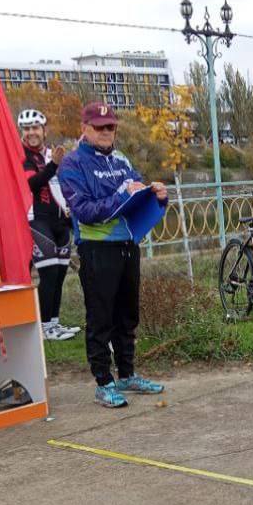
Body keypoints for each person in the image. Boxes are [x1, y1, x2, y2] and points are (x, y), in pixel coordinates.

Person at [58, 101, 169, 409]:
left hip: (127, 245)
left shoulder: (121, 160)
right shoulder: (72, 163)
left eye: (111, 127)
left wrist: (158, 197)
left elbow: (136, 195)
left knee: (127, 315)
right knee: (100, 317)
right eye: (99, 127)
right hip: (97, 249)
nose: (107, 132)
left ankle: (127, 373)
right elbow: (84, 211)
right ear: (84, 128)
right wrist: (123, 194)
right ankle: (103, 382)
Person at [18, 108, 78, 341]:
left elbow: (65, 185)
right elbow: (31, 184)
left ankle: (54, 323)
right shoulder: (23, 156)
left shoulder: (53, 153)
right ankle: (43, 328)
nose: (31, 133)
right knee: (49, 274)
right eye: (26, 129)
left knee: (61, 273)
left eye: (35, 128)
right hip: (38, 220)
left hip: (60, 220)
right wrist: (53, 165)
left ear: (44, 130)